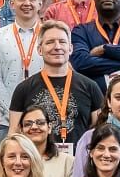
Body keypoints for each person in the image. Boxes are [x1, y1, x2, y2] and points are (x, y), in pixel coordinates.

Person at [9, 20, 107, 149]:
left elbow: (100, 132)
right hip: (38, 164)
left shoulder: (90, 86)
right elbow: (14, 134)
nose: (57, 47)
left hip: (79, 164)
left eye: (62, 42)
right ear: (39, 49)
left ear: (70, 48)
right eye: (50, 42)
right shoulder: (24, 89)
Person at [0, 0, 49, 128]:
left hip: (44, 120)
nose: (27, 3)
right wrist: (14, 115)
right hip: (6, 121)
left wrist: (40, 116)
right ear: (12, 4)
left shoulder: (50, 36)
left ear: (40, 4)